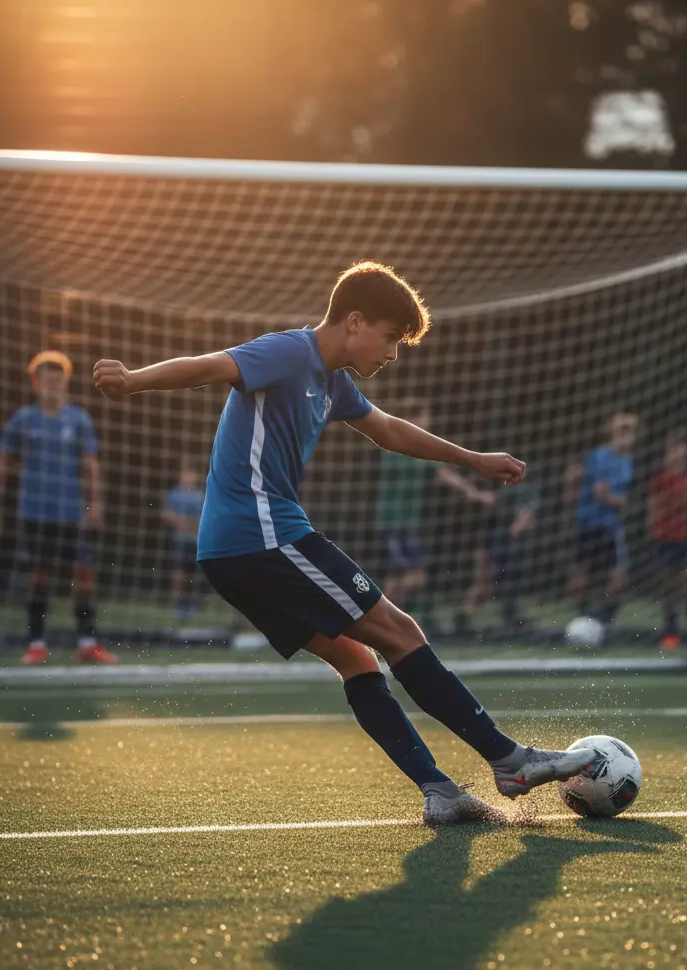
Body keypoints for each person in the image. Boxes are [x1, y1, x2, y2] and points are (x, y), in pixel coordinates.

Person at [93, 261, 596, 825]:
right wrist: (133, 380)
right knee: (399, 631)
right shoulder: (290, 352)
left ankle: (440, 791)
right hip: (262, 535)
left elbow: (389, 430)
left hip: (231, 553)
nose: (393, 353)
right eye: (390, 337)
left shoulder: (332, 381)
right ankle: (510, 761)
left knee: (356, 657)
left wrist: (473, 459)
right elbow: (212, 366)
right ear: (354, 321)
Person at [0, 349, 118, 665]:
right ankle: (36, 644)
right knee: (38, 577)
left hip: (71, 513)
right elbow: (3, 464)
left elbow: (91, 466)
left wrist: (95, 504)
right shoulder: (23, 419)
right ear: (36, 382)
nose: (53, 386)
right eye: (47, 381)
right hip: (34, 512)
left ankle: (87, 643)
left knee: (84, 576)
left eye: (58, 381)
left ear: (66, 383)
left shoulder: (78, 419)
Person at [376, 398, 494, 626]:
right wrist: (477, 494)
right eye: (424, 417)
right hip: (396, 524)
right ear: (411, 419)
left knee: (397, 578)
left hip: (405, 523)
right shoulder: (397, 446)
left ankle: (381, 621)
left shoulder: (409, 447)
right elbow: (443, 474)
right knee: (415, 579)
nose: (427, 422)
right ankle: (373, 615)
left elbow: (437, 473)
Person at [568, 413, 638, 625]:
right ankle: (581, 616)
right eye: (623, 432)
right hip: (589, 522)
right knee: (581, 573)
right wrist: (618, 501)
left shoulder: (627, 462)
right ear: (613, 434)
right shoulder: (599, 456)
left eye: (631, 432)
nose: (628, 437)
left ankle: (605, 621)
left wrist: (619, 500)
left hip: (610, 525)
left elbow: (622, 496)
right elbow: (601, 493)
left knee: (618, 577)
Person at [646, 430, 687, 650]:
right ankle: (670, 633)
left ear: (686, 451)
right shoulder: (659, 477)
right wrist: (654, 530)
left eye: (679, 448)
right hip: (664, 539)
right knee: (669, 588)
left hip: (683, 538)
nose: (675, 453)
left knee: (686, 585)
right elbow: (653, 506)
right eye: (671, 449)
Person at [456, 479, 539, 635]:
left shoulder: (516, 490)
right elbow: (520, 521)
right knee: (485, 582)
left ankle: (509, 616)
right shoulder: (506, 490)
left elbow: (524, 518)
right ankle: (463, 618)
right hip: (497, 543)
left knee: (496, 583)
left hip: (500, 542)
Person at [162, 460, 206, 623]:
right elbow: (166, 514)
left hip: (195, 541)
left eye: (190, 474)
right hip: (180, 539)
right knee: (179, 573)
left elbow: (204, 517)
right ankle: (179, 605)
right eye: (185, 474)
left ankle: (193, 603)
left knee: (196, 573)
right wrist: (180, 521)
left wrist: (192, 524)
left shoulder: (200, 495)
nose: (187, 477)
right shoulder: (174, 494)